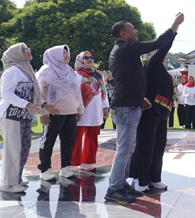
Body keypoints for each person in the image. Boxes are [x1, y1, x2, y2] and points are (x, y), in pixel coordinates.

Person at [104, 13, 183, 204]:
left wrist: (141, 98)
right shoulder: (126, 48)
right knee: (124, 150)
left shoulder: (124, 51)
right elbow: (158, 43)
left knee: (128, 149)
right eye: (132, 29)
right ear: (123, 34)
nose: (136, 31)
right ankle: (114, 188)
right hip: (125, 107)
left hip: (131, 104)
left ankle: (121, 183)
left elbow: (130, 82)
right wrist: (175, 25)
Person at [0, 43, 57, 193]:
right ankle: (8, 184)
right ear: (16, 54)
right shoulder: (12, 71)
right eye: (24, 50)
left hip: (23, 115)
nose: (28, 52)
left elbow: (33, 94)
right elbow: (6, 94)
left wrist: (43, 105)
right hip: (11, 115)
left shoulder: (26, 69)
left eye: (28, 49)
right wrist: (26, 104)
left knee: (23, 147)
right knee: (13, 149)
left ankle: (16, 178)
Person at [129, 25, 179, 193]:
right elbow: (163, 47)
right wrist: (174, 29)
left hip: (162, 114)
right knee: (145, 147)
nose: (163, 55)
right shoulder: (151, 64)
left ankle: (154, 178)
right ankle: (140, 179)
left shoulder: (162, 69)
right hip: (150, 113)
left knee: (158, 147)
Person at [37, 45, 83, 181]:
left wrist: (79, 109)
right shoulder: (46, 71)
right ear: (54, 55)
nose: (66, 55)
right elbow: (37, 93)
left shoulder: (70, 71)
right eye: (62, 53)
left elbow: (77, 92)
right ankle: (45, 169)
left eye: (67, 52)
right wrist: (42, 113)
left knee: (68, 141)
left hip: (71, 112)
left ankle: (66, 167)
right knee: (48, 141)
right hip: (53, 113)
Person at [71, 51, 110, 172]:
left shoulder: (98, 74)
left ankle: (87, 162)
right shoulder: (75, 75)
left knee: (92, 137)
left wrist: (105, 108)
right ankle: (72, 163)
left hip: (95, 110)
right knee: (76, 138)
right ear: (79, 60)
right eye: (86, 57)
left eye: (91, 57)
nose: (89, 59)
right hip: (80, 111)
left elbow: (103, 92)